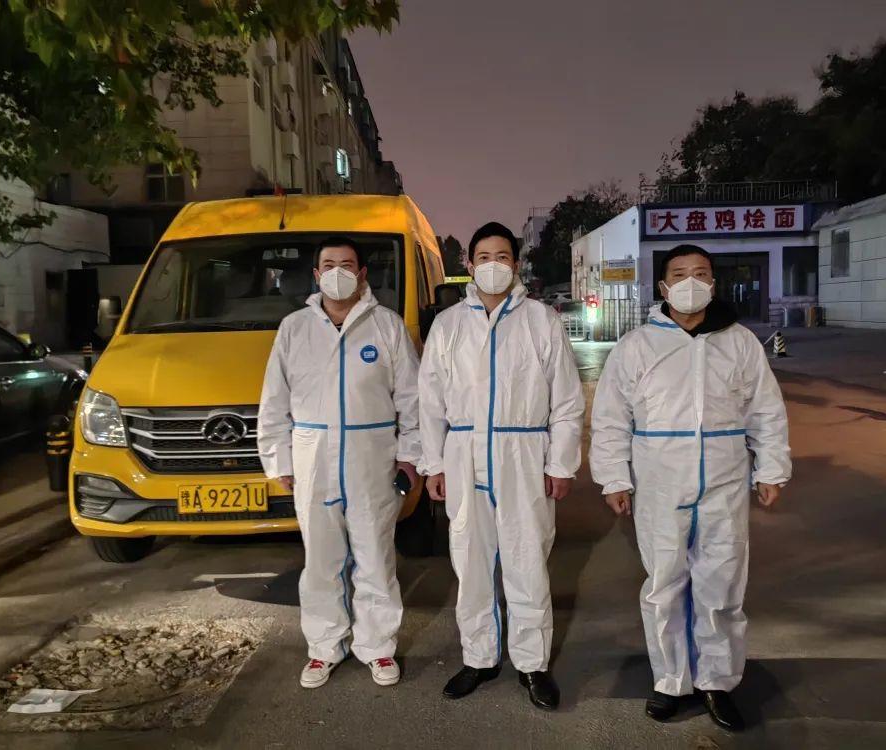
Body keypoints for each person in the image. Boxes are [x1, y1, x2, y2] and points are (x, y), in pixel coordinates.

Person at [590, 244, 791, 732]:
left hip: (724, 481)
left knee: (721, 584)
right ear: (663, 287)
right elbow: (611, 418)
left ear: (713, 284)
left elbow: (765, 409)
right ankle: (670, 681)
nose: (690, 282)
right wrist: (614, 477)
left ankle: (717, 682)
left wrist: (770, 469)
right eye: (679, 274)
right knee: (664, 584)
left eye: (700, 273)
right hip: (659, 481)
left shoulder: (739, 343)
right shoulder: (637, 345)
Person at [418, 221, 584, 710]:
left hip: (523, 455)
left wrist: (561, 464)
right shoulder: (449, 325)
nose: (493, 266)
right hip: (464, 454)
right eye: (484, 257)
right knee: (470, 564)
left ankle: (532, 664)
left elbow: (566, 399)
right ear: (469, 265)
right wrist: (434, 464)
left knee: (527, 562)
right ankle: (479, 657)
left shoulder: (541, 321)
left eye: (503, 257)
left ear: (516, 264)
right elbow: (430, 401)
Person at [258, 236, 421, 690]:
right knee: (320, 560)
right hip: (313, 459)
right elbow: (274, 400)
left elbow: (412, 399)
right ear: (316, 275)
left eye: (347, 265)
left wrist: (411, 457)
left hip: (373, 459)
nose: (337, 273)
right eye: (328, 265)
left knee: (375, 557)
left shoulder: (386, 326)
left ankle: (378, 646)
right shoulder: (294, 329)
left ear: (362, 274)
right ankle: (324, 647)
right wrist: (280, 459)